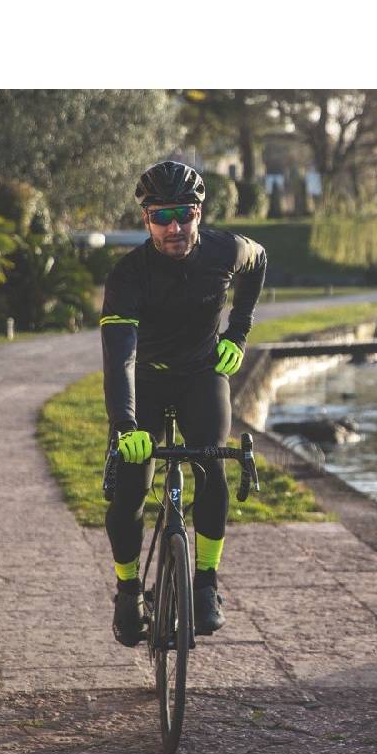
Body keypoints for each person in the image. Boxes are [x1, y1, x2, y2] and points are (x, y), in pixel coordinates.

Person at [100, 159, 267, 645]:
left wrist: (239, 332)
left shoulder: (225, 250)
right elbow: (120, 357)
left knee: (211, 465)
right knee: (131, 487)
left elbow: (259, 261)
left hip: (201, 375)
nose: (174, 227)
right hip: (145, 381)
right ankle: (128, 590)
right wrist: (125, 424)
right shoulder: (129, 275)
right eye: (161, 217)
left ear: (198, 213)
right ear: (146, 219)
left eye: (184, 214)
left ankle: (206, 584)